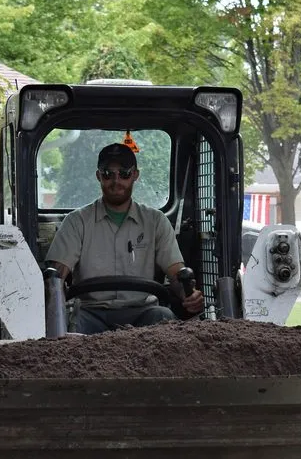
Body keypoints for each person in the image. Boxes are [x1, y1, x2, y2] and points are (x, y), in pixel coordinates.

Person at [44, 143, 205, 334]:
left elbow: (177, 273)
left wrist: (189, 295)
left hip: (143, 311)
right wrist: (55, 296)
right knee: (70, 324)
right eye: (108, 173)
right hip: (90, 312)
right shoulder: (76, 222)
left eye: (124, 173)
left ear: (135, 175)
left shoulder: (156, 221)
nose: (116, 181)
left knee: (164, 318)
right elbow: (57, 277)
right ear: (98, 176)